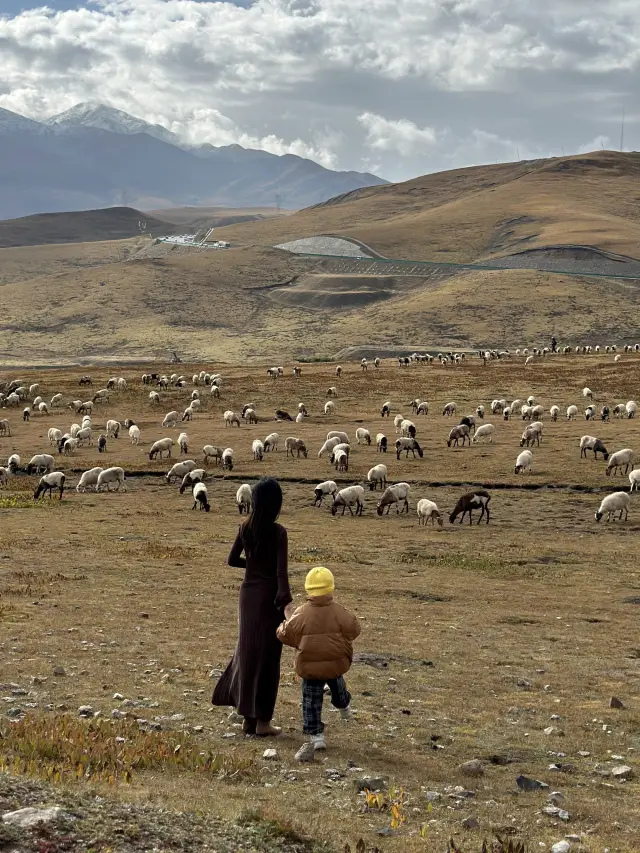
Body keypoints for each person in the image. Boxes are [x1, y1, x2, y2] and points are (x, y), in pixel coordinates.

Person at [212, 477, 291, 736]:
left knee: (247, 653)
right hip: (269, 598)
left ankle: (247, 718)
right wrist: (286, 601)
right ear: (276, 504)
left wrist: (254, 567)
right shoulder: (278, 532)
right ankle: (263, 722)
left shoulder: (245, 528)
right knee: (268, 659)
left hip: (247, 598)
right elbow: (281, 574)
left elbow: (232, 560)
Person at [277, 566, 361, 753]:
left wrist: (287, 620)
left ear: (308, 589)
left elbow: (284, 635)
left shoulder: (301, 613)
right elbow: (354, 629)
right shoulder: (339, 611)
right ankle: (344, 705)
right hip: (335, 664)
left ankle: (316, 736)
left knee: (311, 700)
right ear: (331, 588)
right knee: (338, 688)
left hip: (310, 667)